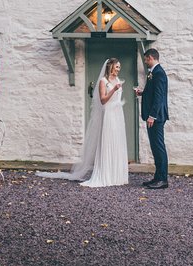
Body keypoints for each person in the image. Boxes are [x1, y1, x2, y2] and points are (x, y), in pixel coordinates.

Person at [37, 58, 129, 187]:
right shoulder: (103, 81)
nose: (119, 69)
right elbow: (103, 101)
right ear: (111, 67)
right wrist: (113, 90)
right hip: (108, 114)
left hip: (117, 114)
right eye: (117, 67)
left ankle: (116, 176)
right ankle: (105, 175)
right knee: (107, 141)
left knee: (116, 141)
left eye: (119, 67)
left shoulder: (118, 80)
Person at [135, 48, 169, 189]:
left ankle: (162, 180)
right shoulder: (153, 73)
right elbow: (154, 92)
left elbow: (159, 98)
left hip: (156, 117)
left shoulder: (159, 73)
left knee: (159, 147)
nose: (145, 62)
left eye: (145, 59)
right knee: (155, 148)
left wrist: (152, 116)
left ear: (150, 58)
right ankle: (157, 177)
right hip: (153, 117)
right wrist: (143, 92)